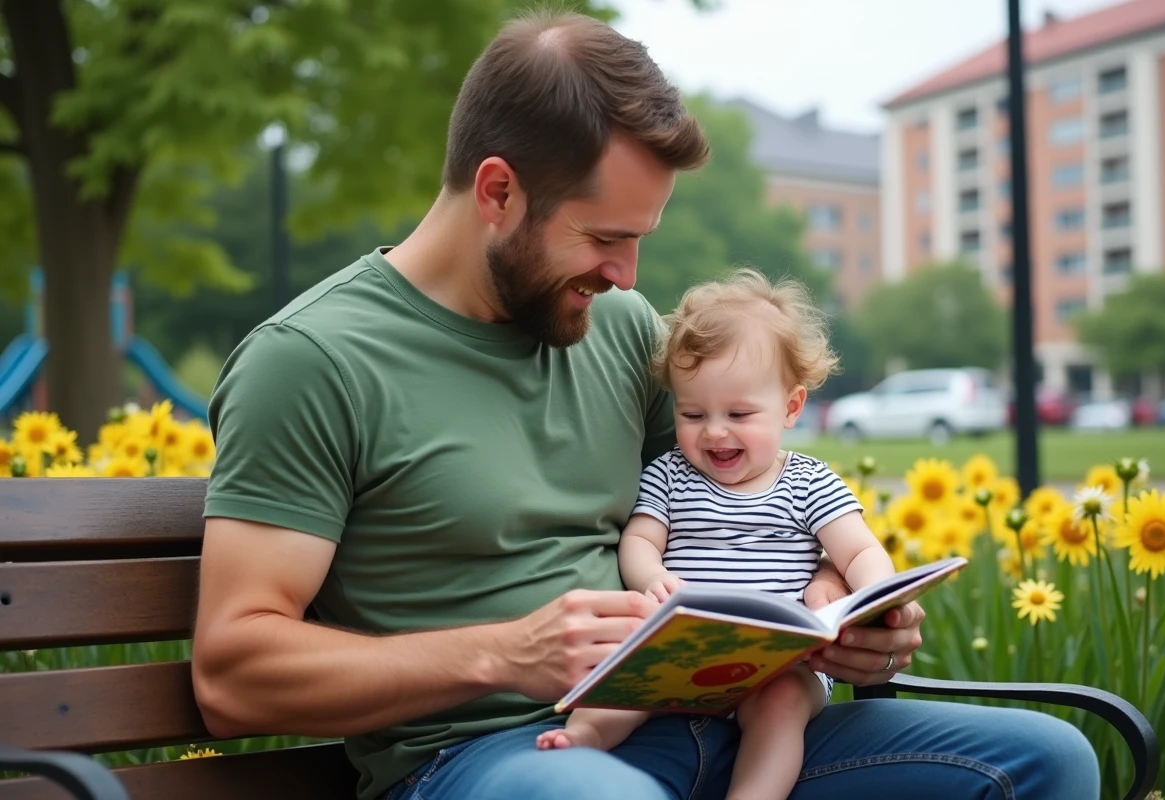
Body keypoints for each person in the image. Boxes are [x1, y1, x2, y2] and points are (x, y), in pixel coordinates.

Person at [192, 10, 1101, 800]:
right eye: (605, 238)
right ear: (499, 192)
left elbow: (737, 504)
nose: (628, 278)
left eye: (639, 241)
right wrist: (504, 654)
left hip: (732, 730)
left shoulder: (620, 329)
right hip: (494, 757)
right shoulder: (311, 362)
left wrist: (832, 610)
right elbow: (234, 676)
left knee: (1048, 762)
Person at [534, 269, 897, 800]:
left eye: (740, 413)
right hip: (687, 650)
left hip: (780, 663)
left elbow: (860, 549)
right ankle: (584, 737)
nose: (715, 431)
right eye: (693, 412)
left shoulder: (807, 481)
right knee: (627, 681)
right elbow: (639, 539)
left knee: (779, 708)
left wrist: (869, 598)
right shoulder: (671, 473)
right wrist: (651, 575)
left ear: (791, 407)